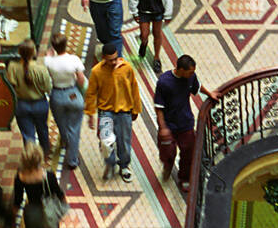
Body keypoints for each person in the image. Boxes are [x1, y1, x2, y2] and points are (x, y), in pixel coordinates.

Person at [84, 42, 141, 183]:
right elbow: (91, 93)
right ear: (103, 57)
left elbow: (134, 89)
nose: (114, 62)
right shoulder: (97, 71)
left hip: (124, 111)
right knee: (105, 142)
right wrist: (90, 113)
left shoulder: (127, 68)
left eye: (115, 58)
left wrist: (136, 109)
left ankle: (124, 166)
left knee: (124, 141)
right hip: (105, 112)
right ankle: (110, 164)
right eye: (110, 60)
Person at [154, 55, 211, 195]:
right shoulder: (164, 82)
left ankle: (184, 178)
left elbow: (197, 86)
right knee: (168, 151)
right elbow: (159, 107)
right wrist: (163, 128)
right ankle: (168, 165)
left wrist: (210, 93)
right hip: (168, 125)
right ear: (180, 69)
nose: (192, 74)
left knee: (188, 153)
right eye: (190, 72)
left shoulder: (190, 77)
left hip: (185, 123)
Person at [44, 33, 86, 174]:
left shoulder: (49, 61)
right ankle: (72, 160)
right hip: (72, 93)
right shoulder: (74, 59)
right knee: (74, 128)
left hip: (57, 95)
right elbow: (81, 79)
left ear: (54, 47)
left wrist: (49, 54)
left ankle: (65, 141)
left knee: (62, 124)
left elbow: (47, 60)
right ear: (65, 44)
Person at [8, 40, 51, 156]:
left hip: (21, 105)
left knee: (28, 135)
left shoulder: (12, 67)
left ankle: (31, 158)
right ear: (33, 52)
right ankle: (45, 153)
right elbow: (48, 88)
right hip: (40, 104)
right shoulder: (40, 69)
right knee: (42, 129)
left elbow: (11, 86)